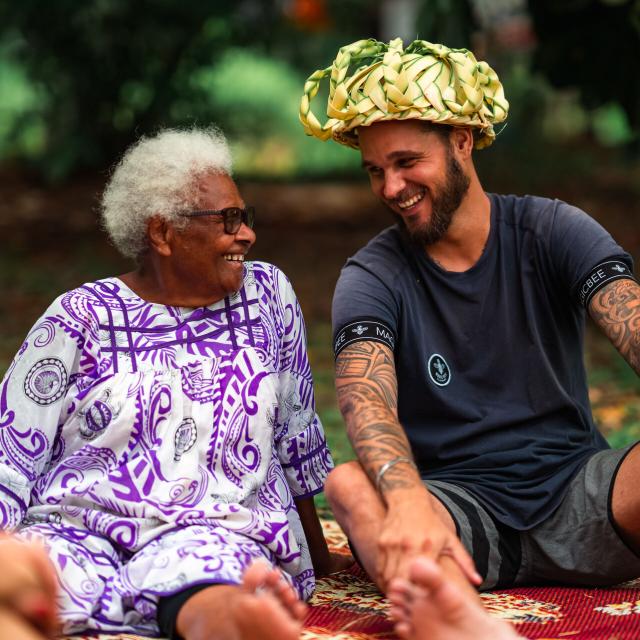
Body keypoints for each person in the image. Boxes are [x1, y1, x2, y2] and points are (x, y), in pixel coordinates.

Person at [299, 37, 640, 639]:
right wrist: (405, 498)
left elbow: (632, 322)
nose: (391, 187)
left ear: (461, 141)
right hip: (455, 515)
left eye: (407, 162)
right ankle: (447, 616)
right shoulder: (371, 274)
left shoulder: (551, 228)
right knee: (350, 485)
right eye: (375, 171)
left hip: (582, 490)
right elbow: (364, 399)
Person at [0, 127, 351, 640]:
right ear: (162, 233)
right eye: (228, 220)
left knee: (211, 583)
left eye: (244, 217)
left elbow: (297, 436)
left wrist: (318, 560)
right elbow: (11, 454)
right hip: (79, 525)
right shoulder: (80, 318)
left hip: (215, 527)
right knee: (40, 579)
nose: (247, 235)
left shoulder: (267, 296)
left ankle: (231, 626)